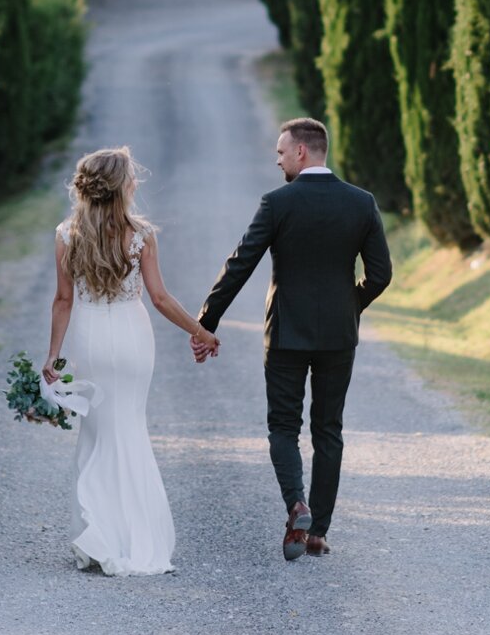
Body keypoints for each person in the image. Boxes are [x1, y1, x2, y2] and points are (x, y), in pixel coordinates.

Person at [194, 117, 391, 561]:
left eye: (281, 152)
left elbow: (240, 264)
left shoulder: (278, 202)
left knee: (284, 426)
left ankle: (296, 504)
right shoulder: (361, 203)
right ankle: (318, 530)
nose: (277, 159)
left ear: (302, 151)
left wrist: (207, 323)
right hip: (339, 336)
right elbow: (381, 275)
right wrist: (350, 305)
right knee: (329, 430)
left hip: (285, 334)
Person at [44, 146, 218, 575]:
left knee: (99, 432)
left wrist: (53, 357)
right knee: (129, 429)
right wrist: (200, 331)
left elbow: (63, 300)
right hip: (132, 337)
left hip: (87, 339)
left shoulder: (67, 234)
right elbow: (159, 298)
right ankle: (132, 536)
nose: (136, 182)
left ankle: (100, 534)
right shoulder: (140, 235)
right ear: (120, 186)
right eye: (131, 177)